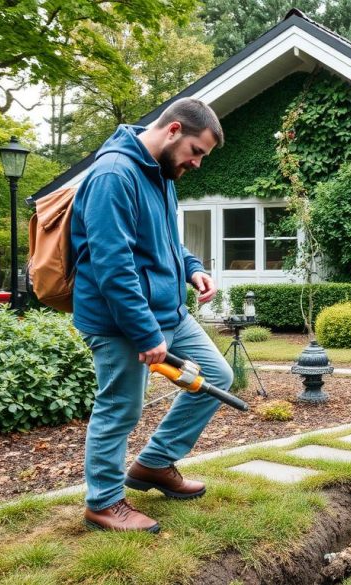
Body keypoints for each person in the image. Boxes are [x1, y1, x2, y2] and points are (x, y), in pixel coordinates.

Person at [71, 98, 230, 533]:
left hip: (168, 313)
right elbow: (112, 264)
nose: (197, 163)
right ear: (174, 130)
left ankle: (155, 463)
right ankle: (102, 503)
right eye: (196, 151)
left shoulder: (160, 174)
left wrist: (193, 268)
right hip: (119, 321)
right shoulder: (114, 175)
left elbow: (165, 242)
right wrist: (144, 334)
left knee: (215, 378)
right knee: (120, 409)